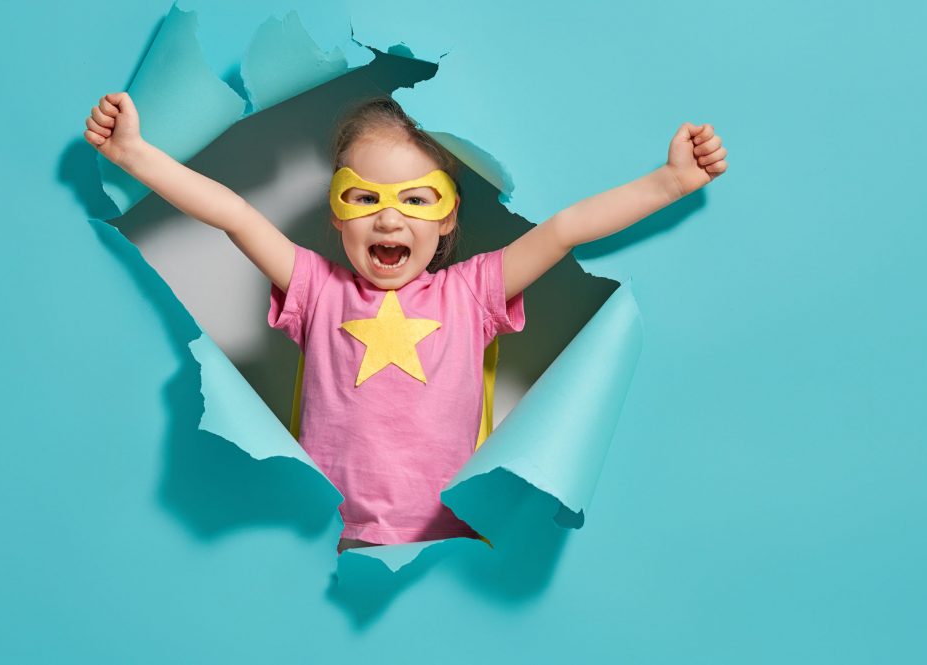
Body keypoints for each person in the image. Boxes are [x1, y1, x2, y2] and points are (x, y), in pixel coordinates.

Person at [84, 92, 727, 554]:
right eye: (364, 198)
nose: (389, 220)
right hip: (328, 542)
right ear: (336, 214)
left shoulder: (472, 293)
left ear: (448, 219)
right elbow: (235, 217)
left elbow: (561, 230)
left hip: (451, 544)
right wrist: (135, 156)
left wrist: (669, 182)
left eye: (417, 201)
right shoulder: (316, 288)